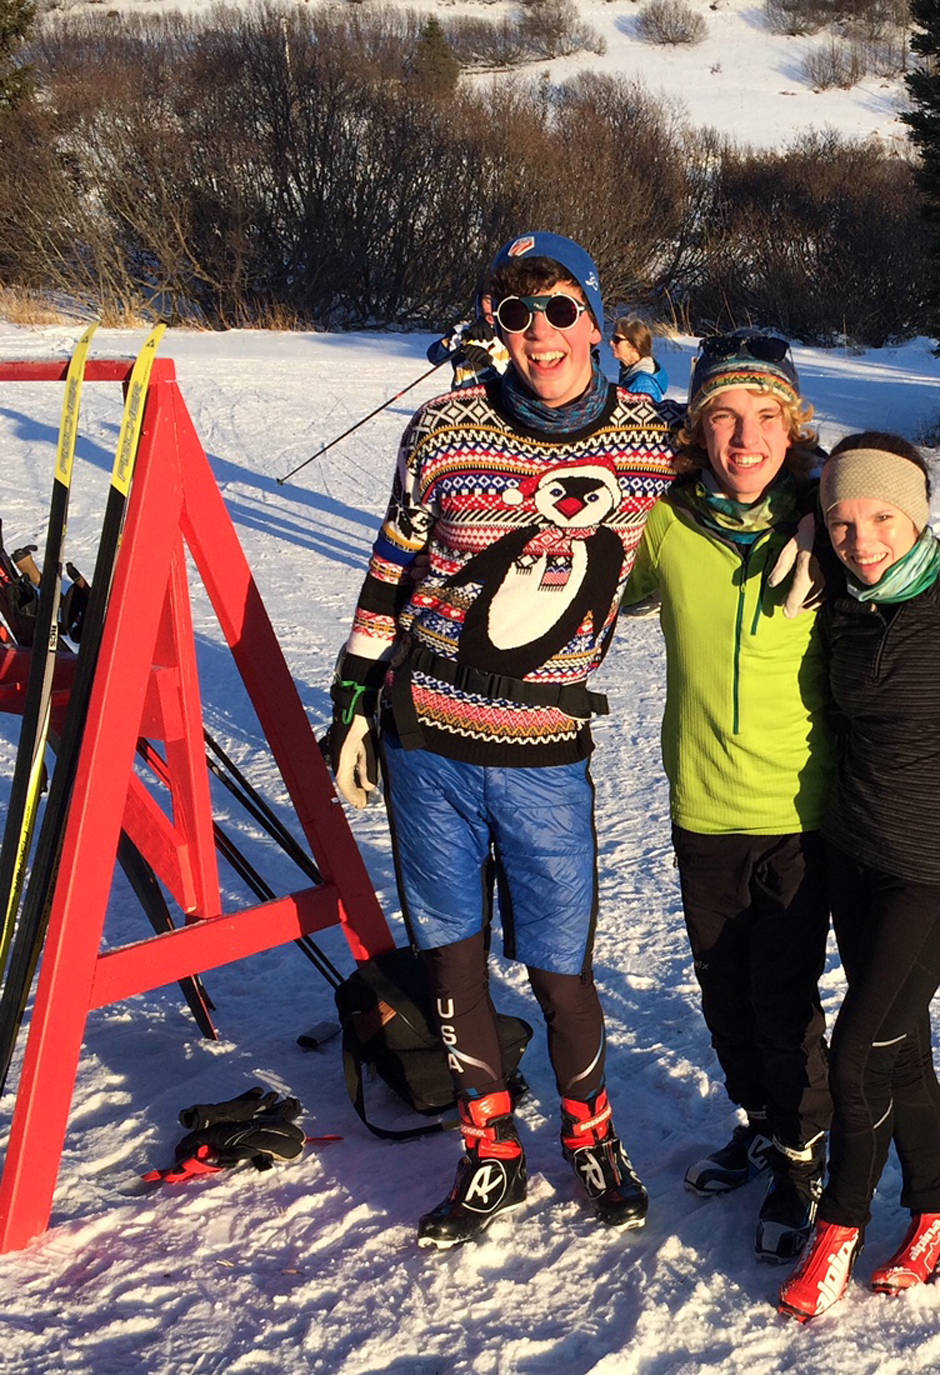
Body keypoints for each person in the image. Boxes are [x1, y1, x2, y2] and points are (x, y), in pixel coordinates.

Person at [325, 231, 683, 1250]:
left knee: (563, 971)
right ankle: (489, 1149)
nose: (538, 334)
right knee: (451, 964)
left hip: (541, 752)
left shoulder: (653, 441)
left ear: (597, 315)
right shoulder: (443, 426)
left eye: (559, 308)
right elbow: (393, 562)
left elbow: (769, 462)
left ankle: (589, 1135)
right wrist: (354, 692)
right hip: (427, 738)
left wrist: (824, 515)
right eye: (514, 313)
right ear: (494, 323)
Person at [776, 433, 940, 1322]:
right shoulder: (839, 594)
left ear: (919, 515)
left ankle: (840, 1227)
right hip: (854, 852)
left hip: (939, 866)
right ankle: (937, 1216)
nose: (861, 540)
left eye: (881, 518)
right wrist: (805, 526)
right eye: (840, 522)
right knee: (903, 1047)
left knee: (854, 1054)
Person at [621, 329, 834, 1263]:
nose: (745, 439)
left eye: (766, 418)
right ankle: (760, 1124)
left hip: (799, 810)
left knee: (785, 1001)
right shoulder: (669, 524)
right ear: (698, 429)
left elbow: (909, 508)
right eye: (724, 418)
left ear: (795, 429)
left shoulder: (834, 521)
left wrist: (826, 504)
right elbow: (598, 578)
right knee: (723, 993)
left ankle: (804, 1160)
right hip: (700, 804)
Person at [610, 316, 668, 400]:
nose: (611, 343)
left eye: (617, 339)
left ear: (635, 346)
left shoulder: (643, 385)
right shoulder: (630, 373)